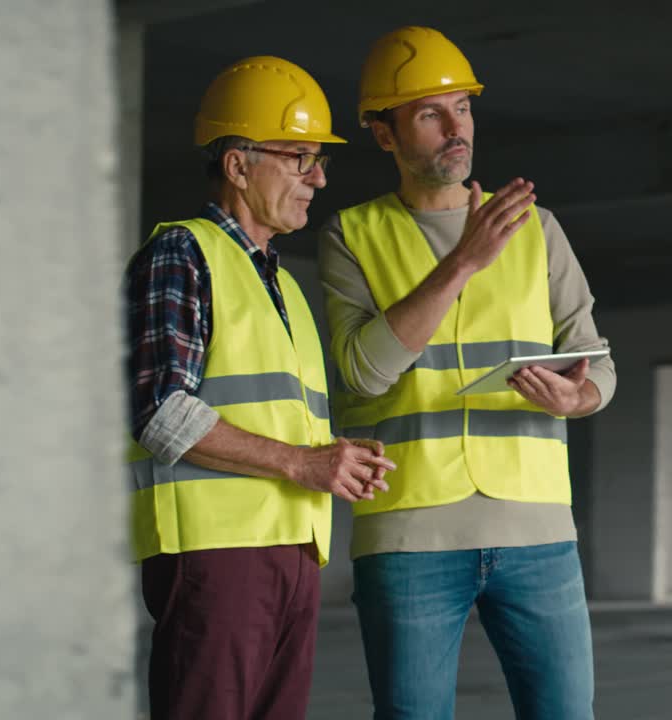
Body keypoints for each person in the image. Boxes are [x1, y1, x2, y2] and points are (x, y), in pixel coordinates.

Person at [318, 26, 616, 719]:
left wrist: (578, 398)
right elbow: (363, 373)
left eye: (463, 107)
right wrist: (461, 264)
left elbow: (596, 360)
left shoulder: (537, 229)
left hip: (539, 531)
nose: (457, 128)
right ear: (385, 135)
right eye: (429, 113)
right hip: (408, 534)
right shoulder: (351, 235)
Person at [124, 55, 395, 720]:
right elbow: (161, 413)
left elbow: (271, 416)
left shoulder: (286, 289)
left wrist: (332, 456)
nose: (319, 178)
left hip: (291, 553)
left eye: (318, 161)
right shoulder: (181, 254)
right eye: (299, 157)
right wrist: (306, 462)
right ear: (238, 165)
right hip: (218, 558)